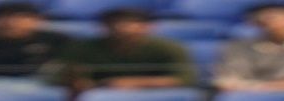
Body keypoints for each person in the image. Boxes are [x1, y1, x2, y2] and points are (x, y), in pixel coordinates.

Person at [44, 8, 196, 90]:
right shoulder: (82, 48)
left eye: (132, 23)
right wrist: (77, 81)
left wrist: (131, 83)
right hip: (97, 94)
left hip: (155, 94)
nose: (124, 29)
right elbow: (60, 74)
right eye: (116, 24)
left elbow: (184, 80)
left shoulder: (169, 47)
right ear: (103, 27)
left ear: (148, 27)